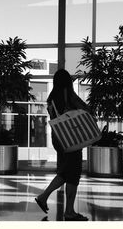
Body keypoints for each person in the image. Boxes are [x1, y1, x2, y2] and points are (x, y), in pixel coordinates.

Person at [35, 69, 89, 221]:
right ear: (68, 82)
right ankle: (69, 212)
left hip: (59, 138)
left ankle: (43, 197)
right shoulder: (69, 95)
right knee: (73, 174)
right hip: (72, 139)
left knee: (66, 172)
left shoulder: (52, 98)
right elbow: (85, 109)